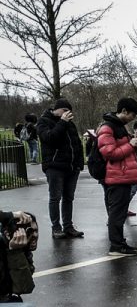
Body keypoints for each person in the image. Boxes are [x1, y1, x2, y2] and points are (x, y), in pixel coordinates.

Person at [0, 211, 55, 307]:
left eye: (36, 230)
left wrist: (14, 252)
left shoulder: (22, 252)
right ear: (7, 233)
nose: (33, 236)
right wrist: (9, 215)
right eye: (28, 231)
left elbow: (24, 287)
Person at [98, 97, 137, 256]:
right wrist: (130, 145)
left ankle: (119, 243)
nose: (133, 118)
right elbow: (109, 153)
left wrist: (133, 143)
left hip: (122, 176)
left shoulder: (119, 127)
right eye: (132, 115)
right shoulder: (108, 128)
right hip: (116, 177)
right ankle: (116, 246)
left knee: (120, 213)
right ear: (123, 111)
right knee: (117, 213)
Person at [36, 98, 85, 240]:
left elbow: (77, 143)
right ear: (56, 109)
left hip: (71, 167)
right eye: (64, 111)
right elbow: (50, 138)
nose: (67, 114)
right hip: (54, 166)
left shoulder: (70, 124)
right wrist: (62, 122)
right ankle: (56, 228)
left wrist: (79, 164)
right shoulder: (44, 121)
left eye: (69, 112)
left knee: (69, 198)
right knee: (55, 198)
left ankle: (68, 226)